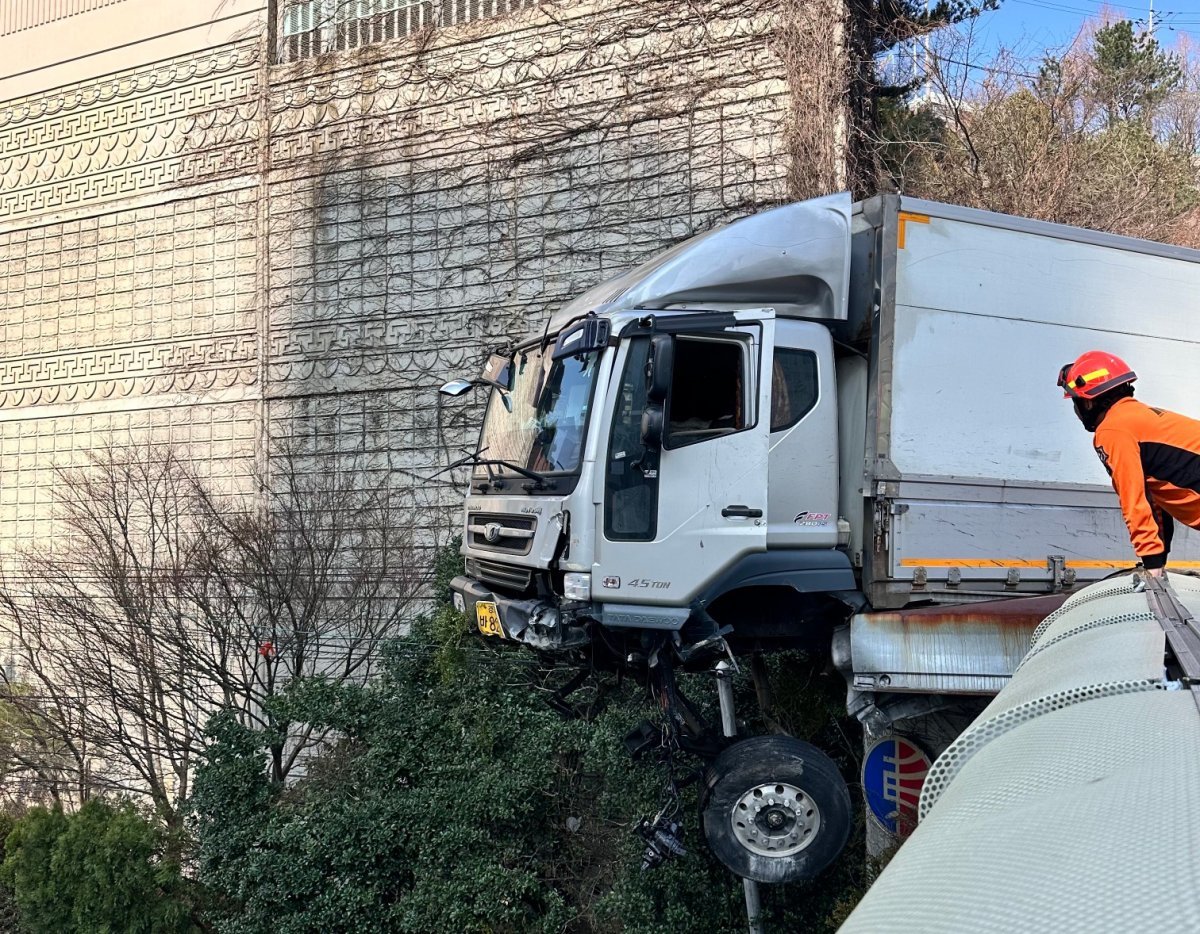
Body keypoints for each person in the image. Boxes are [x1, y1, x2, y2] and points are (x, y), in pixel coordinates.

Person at [1058, 351, 1200, 576]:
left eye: (1075, 402)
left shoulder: (1113, 430)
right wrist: (1155, 560)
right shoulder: (1141, 419)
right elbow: (1154, 502)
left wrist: (1152, 566)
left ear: (1087, 402)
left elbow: (1133, 499)